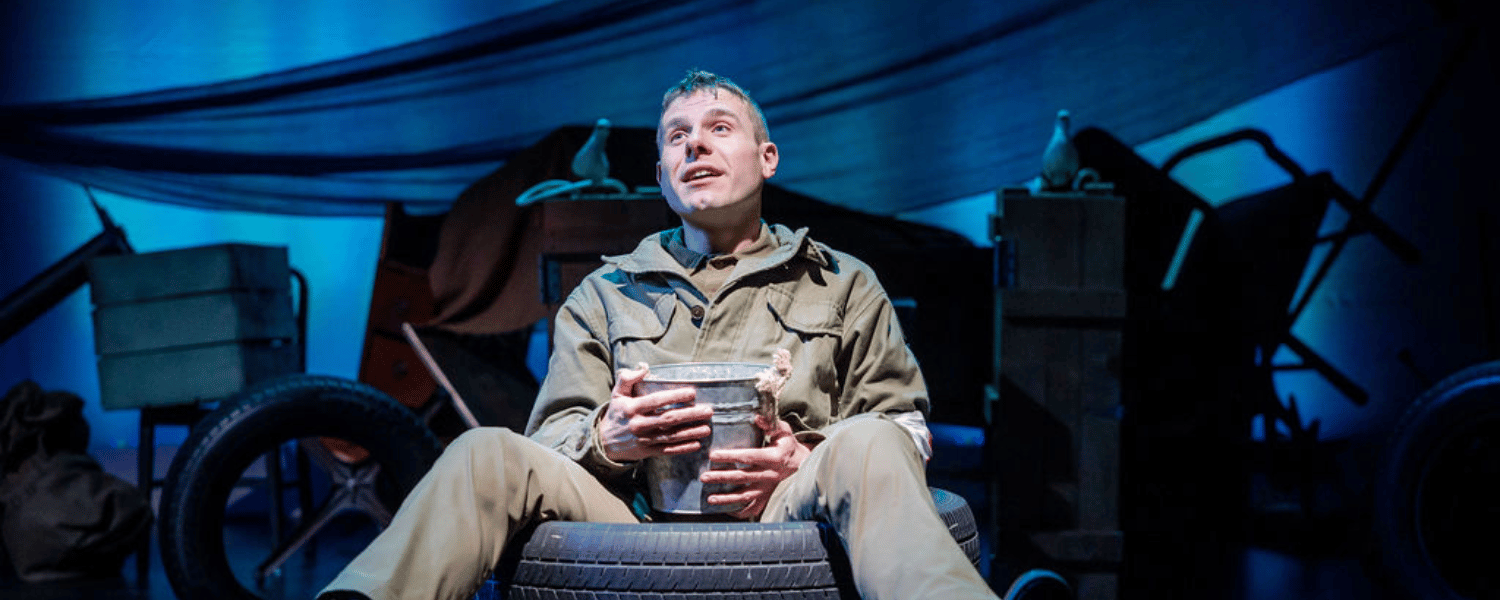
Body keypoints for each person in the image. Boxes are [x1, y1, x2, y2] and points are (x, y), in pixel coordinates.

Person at [319, 70, 999, 600]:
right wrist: (607, 440)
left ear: (767, 158)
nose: (694, 144)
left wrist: (804, 456)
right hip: (636, 517)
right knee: (485, 452)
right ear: (661, 179)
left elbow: (905, 431)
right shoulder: (605, 295)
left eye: (718, 128)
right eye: (675, 136)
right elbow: (549, 441)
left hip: (787, 512)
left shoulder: (843, 283)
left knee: (874, 439)